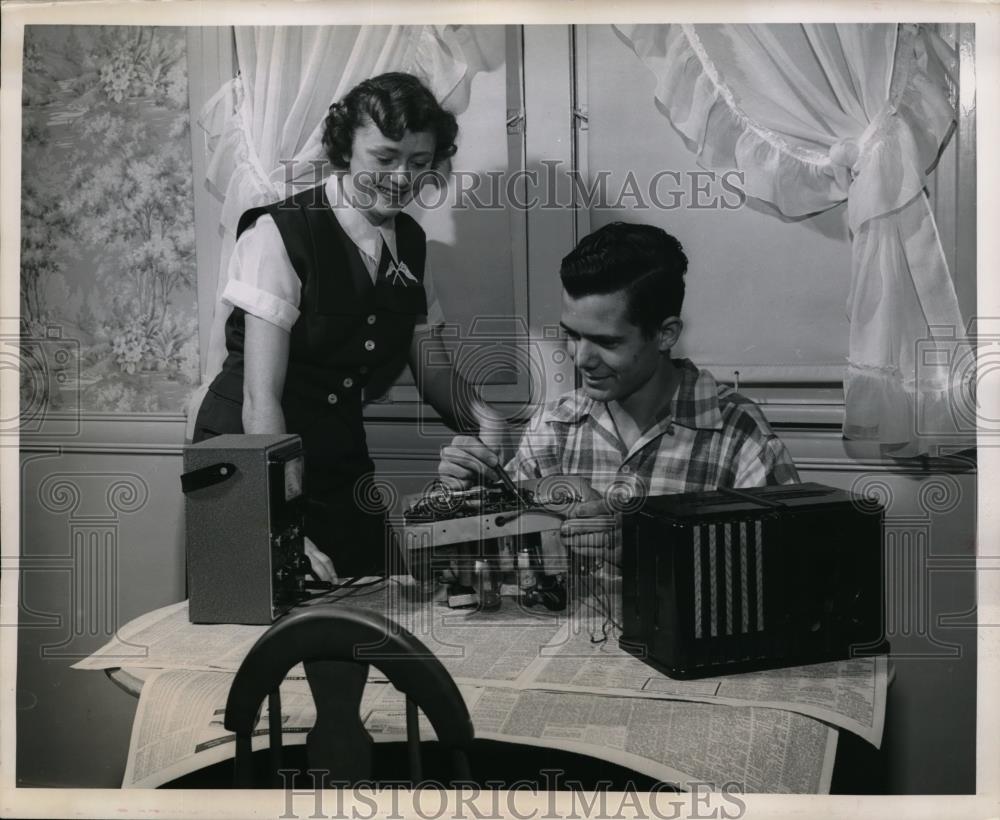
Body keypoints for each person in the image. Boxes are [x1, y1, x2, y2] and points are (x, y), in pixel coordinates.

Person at [193, 72, 499, 581]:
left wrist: (492, 423)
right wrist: (282, 523)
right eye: (384, 159)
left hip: (336, 457)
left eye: (419, 163)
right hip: (249, 455)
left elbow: (437, 376)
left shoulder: (413, 246)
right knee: (257, 632)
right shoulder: (279, 233)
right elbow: (260, 400)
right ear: (344, 150)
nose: (402, 178)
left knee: (373, 616)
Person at [438, 221, 800, 561]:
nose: (581, 359)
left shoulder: (738, 434)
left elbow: (783, 566)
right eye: (572, 334)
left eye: (606, 342)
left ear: (666, 334)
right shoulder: (551, 427)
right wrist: (467, 499)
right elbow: (497, 558)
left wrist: (644, 550)